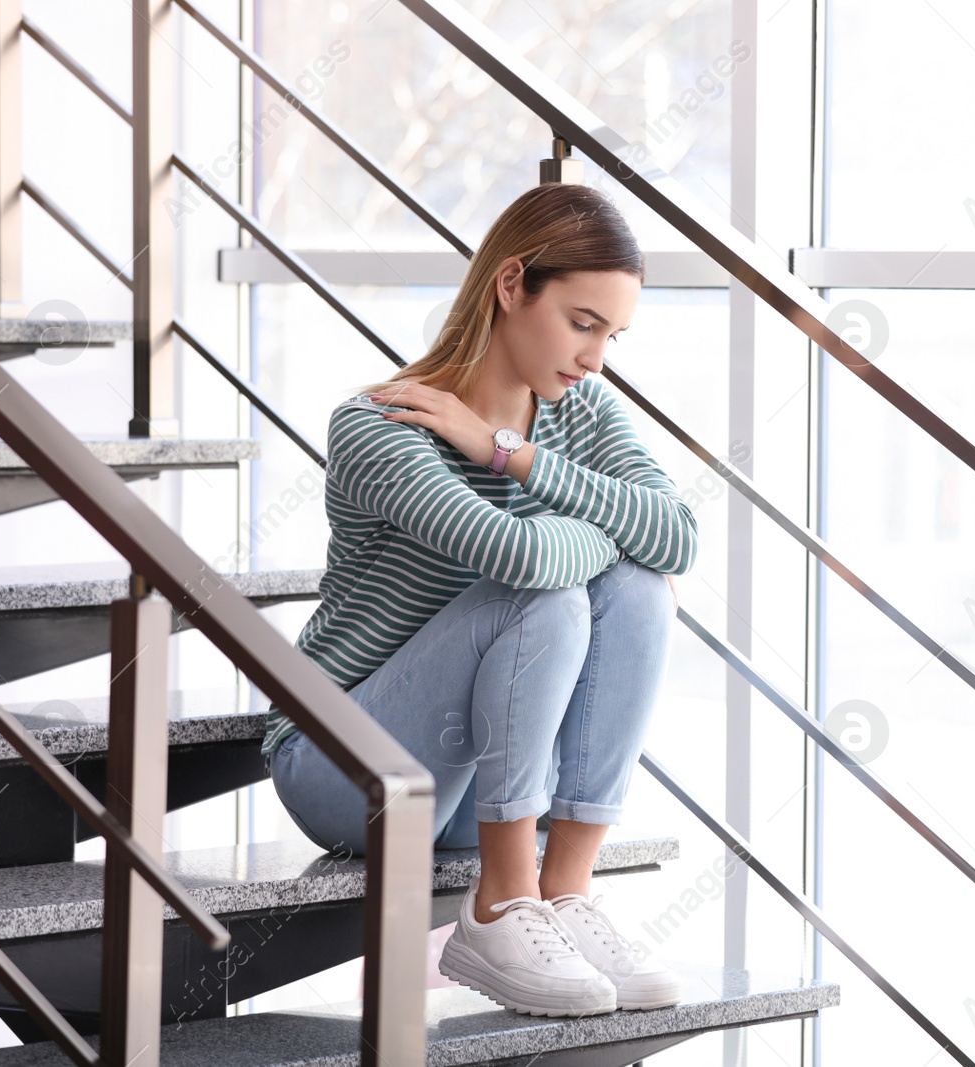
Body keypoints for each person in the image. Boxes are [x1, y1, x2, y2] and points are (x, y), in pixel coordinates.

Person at [263, 181, 699, 1018]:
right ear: (510, 286)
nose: (596, 357)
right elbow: (518, 555)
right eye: (581, 322)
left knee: (641, 584)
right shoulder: (379, 425)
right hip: (344, 767)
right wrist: (601, 526)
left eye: (612, 334)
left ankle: (563, 889)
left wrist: (511, 454)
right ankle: (500, 903)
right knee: (549, 594)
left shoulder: (582, 412)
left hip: (480, 783)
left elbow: (676, 537)